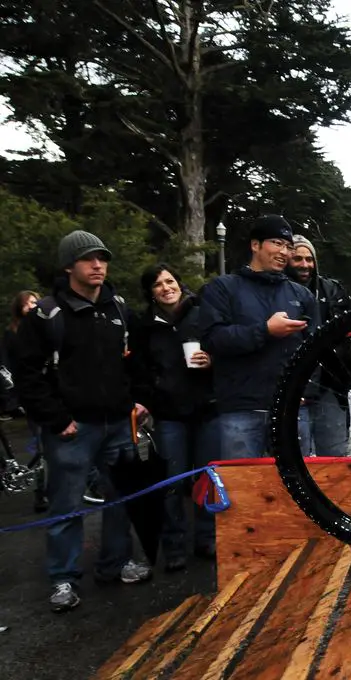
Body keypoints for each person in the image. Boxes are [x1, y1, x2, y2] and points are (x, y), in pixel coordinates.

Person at [14, 230, 152, 612]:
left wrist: (139, 400)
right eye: (88, 258)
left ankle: (116, 563)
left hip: (117, 424)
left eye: (102, 258)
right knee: (66, 505)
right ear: (69, 265)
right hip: (72, 429)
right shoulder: (46, 314)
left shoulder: (119, 309)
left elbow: (136, 362)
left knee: (122, 500)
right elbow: (28, 375)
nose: (97, 265)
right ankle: (63, 578)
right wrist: (57, 419)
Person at [199, 215, 319, 459]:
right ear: (255, 245)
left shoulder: (301, 295)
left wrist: (308, 390)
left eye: (288, 246)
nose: (284, 252)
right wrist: (265, 330)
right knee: (244, 489)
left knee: (298, 488)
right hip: (241, 407)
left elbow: (316, 347)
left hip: (292, 407)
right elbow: (213, 339)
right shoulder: (223, 288)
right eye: (276, 243)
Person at [131, 264, 219, 570]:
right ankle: (174, 545)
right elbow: (139, 372)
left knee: (207, 477)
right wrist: (149, 399)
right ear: (150, 292)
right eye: (157, 284)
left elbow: (223, 346)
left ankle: (207, 538)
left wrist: (212, 361)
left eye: (170, 280)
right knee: (171, 482)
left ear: (179, 284)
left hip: (206, 408)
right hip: (169, 415)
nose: (166, 287)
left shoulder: (202, 313)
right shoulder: (145, 327)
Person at [287, 235, 351, 456]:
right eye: (297, 258)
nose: (304, 265)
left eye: (309, 259)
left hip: (330, 385)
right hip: (292, 385)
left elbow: (348, 335)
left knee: (335, 456)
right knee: (295, 457)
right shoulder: (278, 290)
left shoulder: (331, 289)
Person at [3, 290, 47, 512]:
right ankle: (40, 493)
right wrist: (14, 399)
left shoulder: (45, 330)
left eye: (36, 302)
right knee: (41, 445)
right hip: (28, 397)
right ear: (19, 307)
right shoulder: (12, 334)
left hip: (49, 394)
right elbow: (8, 370)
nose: (34, 305)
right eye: (29, 303)